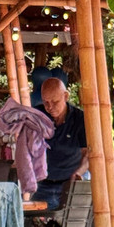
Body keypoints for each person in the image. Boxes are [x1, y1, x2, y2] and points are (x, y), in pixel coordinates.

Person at [32, 78, 88, 210]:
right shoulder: (37, 115)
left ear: (66, 96)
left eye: (55, 102)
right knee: (34, 221)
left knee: (73, 222)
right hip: (42, 185)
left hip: (70, 184)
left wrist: (78, 173)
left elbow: (88, 154)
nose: (50, 107)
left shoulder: (80, 119)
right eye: (46, 102)